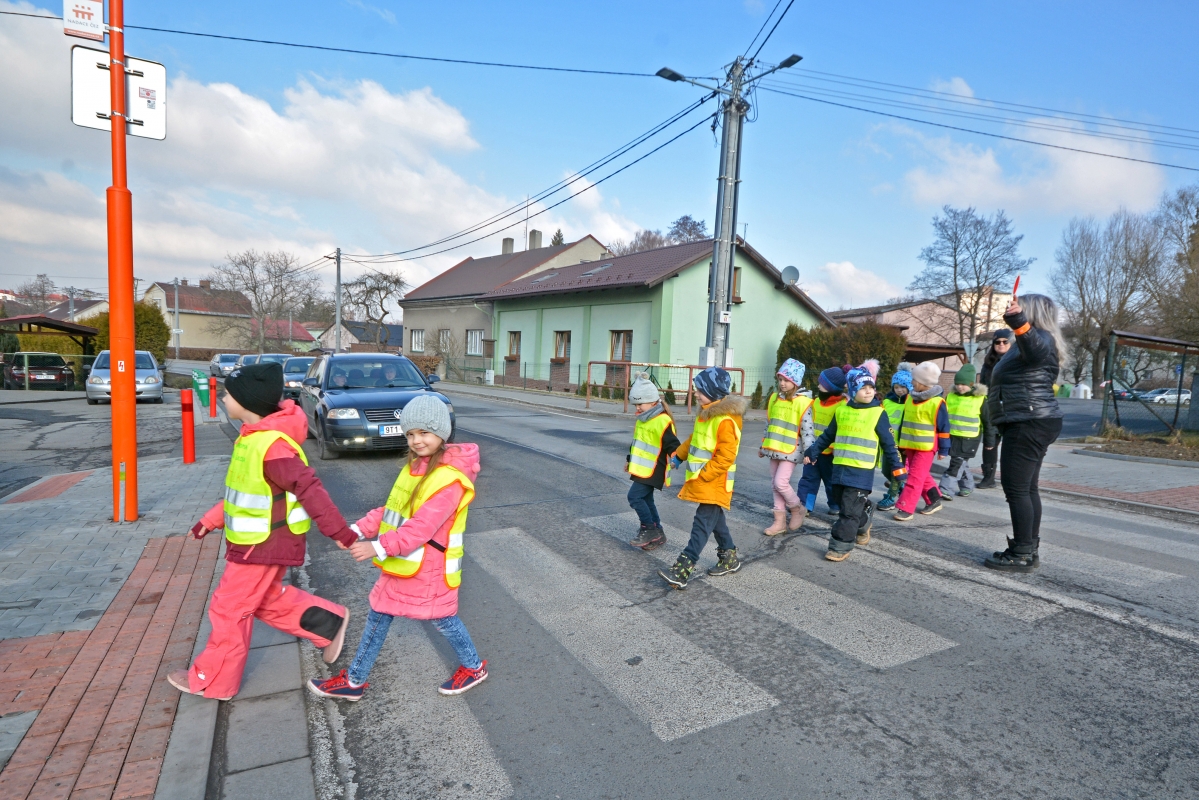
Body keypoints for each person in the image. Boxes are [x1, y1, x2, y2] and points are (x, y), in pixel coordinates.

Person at [168, 363, 356, 701]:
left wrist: (339, 532)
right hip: (259, 542)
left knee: (228, 608)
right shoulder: (253, 439)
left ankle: (213, 681)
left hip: (262, 543)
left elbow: (309, 488)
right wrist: (211, 520)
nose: (223, 396)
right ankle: (328, 623)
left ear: (248, 402)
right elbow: (242, 491)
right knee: (261, 600)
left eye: (229, 393)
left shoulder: (271, 446)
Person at [309, 395, 487, 700]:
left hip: (429, 569)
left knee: (442, 619)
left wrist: (376, 547)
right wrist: (356, 529)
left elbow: (421, 527)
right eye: (410, 434)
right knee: (378, 613)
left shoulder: (449, 481)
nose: (416, 441)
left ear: (441, 433)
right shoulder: (416, 468)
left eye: (424, 432)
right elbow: (392, 510)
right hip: (402, 562)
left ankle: (473, 667)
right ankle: (354, 680)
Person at [983, 294, 1065, 572]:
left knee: (1017, 489)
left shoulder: (1038, 339)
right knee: (1027, 488)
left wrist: (1018, 322)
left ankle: (1021, 553)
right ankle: (1027, 548)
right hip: (1031, 420)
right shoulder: (1030, 342)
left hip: (1027, 421)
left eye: (1021, 310)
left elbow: (1035, 350)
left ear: (1030, 313)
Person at [804, 361, 906, 562]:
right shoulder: (842, 411)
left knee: (848, 511)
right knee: (845, 505)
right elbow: (827, 435)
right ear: (852, 390)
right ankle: (865, 518)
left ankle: (839, 545)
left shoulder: (878, 413)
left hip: (861, 471)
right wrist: (814, 451)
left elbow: (889, 443)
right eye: (863, 388)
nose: (869, 392)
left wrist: (897, 467)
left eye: (871, 388)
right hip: (839, 468)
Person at [658, 367, 747, 589]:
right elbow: (694, 440)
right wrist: (679, 456)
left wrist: (705, 474)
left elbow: (726, 457)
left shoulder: (725, 420)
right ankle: (729, 557)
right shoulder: (706, 414)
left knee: (701, 522)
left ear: (714, 392)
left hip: (714, 481)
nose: (695, 394)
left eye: (700, 390)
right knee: (715, 520)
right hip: (707, 480)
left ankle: (683, 569)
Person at [759, 358, 815, 535]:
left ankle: (797, 508)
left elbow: (807, 430)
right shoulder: (774, 399)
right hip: (774, 447)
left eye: (787, 380)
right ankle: (779, 521)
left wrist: (810, 451)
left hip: (791, 450)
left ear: (795, 382)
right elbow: (770, 424)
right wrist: (763, 445)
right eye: (780, 379)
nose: (782, 383)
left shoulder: (802, 403)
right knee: (775, 485)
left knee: (780, 483)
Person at [626, 373, 681, 550]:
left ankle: (648, 528)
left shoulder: (662, 420)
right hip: (642, 468)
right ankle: (658, 534)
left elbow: (673, 444)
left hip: (655, 469)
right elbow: (636, 443)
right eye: (636, 405)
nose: (638, 408)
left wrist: (676, 458)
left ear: (652, 402)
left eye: (640, 404)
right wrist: (629, 460)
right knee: (646, 500)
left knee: (634, 497)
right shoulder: (643, 419)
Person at [892, 361, 951, 521]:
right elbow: (905, 422)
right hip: (910, 444)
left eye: (913, 380)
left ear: (922, 383)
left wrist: (944, 450)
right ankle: (934, 499)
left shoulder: (937, 403)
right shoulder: (909, 399)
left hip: (926, 447)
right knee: (920, 475)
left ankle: (906, 507)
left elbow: (944, 428)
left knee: (914, 478)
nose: (911, 383)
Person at [796, 366, 848, 515]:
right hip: (813, 451)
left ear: (831, 388)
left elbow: (842, 430)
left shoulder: (842, 406)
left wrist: (834, 448)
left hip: (830, 453)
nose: (818, 386)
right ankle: (805, 504)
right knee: (808, 479)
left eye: (822, 384)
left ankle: (835, 504)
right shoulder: (816, 402)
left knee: (831, 482)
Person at [938, 364, 987, 500]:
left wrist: (990, 441)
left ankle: (945, 489)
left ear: (971, 384)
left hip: (969, 439)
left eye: (963, 384)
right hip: (953, 436)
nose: (960, 387)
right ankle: (967, 486)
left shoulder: (980, 399)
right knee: (960, 462)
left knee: (956, 462)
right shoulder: (951, 396)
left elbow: (987, 421)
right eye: (958, 383)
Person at [977, 329, 1012, 489]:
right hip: (993, 407)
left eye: (1005, 341)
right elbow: (984, 384)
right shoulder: (988, 363)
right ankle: (989, 477)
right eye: (997, 342)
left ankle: (1012, 477)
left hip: (1012, 407)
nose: (1001, 344)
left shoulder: (1017, 360)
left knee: (1013, 445)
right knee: (990, 443)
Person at [877, 362, 914, 511]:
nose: (899, 390)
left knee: (895, 472)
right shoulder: (887, 402)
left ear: (909, 388)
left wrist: (907, 445)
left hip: (901, 444)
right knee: (886, 470)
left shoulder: (910, 403)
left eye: (903, 387)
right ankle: (901, 486)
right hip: (887, 443)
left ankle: (891, 497)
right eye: (896, 387)